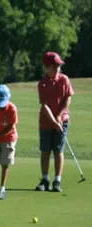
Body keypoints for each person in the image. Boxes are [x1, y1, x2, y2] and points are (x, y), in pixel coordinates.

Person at [35, 51, 74, 192]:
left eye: (58, 65)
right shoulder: (42, 84)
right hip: (46, 121)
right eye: (54, 66)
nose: (58, 68)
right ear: (46, 67)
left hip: (62, 120)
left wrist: (60, 116)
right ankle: (45, 179)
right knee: (45, 151)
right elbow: (44, 106)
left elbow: (68, 98)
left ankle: (57, 180)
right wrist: (53, 120)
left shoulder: (64, 79)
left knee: (58, 150)